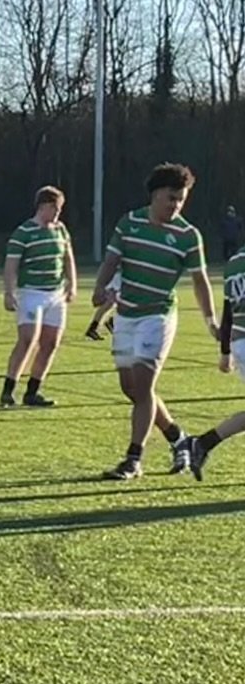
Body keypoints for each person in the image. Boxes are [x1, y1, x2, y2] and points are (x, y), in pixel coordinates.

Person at [94, 163, 215, 480]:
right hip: (126, 314)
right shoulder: (130, 222)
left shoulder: (188, 236)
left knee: (144, 385)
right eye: (171, 198)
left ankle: (134, 459)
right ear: (154, 195)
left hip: (158, 316)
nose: (176, 205)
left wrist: (210, 320)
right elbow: (112, 259)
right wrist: (98, 287)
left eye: (181, 199)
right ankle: (179, 438)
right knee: (131, 388)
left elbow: (200, 280)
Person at [0, 186, 77, 408]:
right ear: (43, 206)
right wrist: (9, 292)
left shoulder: (60, 229)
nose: (58, 213)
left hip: (55, 294)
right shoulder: (23, 232)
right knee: (27, 340)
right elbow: (11, 265)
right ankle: (8, 389)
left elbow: (68, 258)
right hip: (31, 293)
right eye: (55, 208)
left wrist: (72, 284)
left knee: (51, 343)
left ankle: (33, 391)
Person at [184, 243, 245, 480]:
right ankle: (202, 443)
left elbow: (228, 311)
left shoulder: (234, 261)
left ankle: (202, 443)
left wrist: (226, 351)